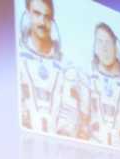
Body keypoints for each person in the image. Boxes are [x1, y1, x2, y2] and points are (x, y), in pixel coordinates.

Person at [18, 0, 88, 138]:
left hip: (58, 148)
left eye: (47, 17)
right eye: (37, 13)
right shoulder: (16, 55)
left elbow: (70, 111)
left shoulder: (67, 67)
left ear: (52, 21)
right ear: (27, 14)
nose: (42, 22)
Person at [87, 22, 120, 148]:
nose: (104, 48)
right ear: (95, 48)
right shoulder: (87, 79)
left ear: (115, 47)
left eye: (108, 42)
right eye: (100, 42)